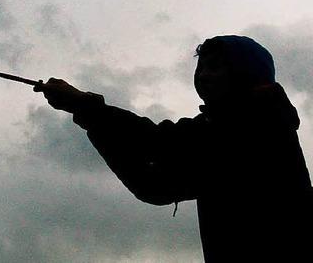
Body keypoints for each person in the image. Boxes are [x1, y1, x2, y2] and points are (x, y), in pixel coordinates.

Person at [34, 35, 313, 262]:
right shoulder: (221, 129)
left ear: (247, 74)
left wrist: (85, 106)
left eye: (215, 67)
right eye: (201, 67)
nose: (202, 75)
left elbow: (159, 143)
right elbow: (152, 186)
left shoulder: (259, 121)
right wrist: (90, 119)